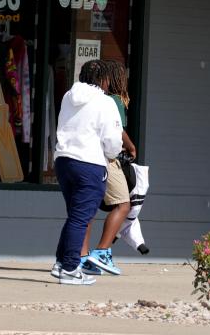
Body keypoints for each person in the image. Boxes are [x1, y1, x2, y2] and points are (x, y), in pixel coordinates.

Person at [50, 59, 123, 285]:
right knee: (81, 218)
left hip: (63, 161)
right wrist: (112, 154)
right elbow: (112, 140)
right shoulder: (105, 101)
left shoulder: (68, 96)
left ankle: (62, 263)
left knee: (75, 216)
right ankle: (71, 269)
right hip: (89, 164)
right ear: (103, 80)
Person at [81, 60, 137, 276]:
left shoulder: (95, 99)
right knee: (123, 204)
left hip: (89, 157)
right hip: (107, 159)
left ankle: (83, 256)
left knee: (88, 209)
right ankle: (102, 251)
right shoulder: (114, 101)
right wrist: (131, 147)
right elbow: (117, 132)